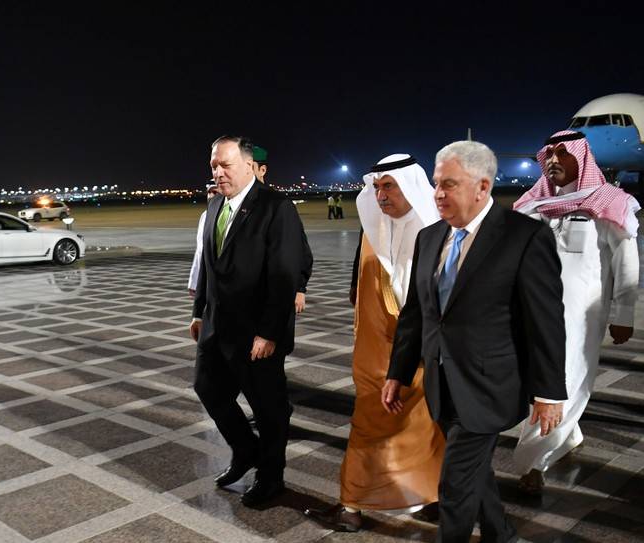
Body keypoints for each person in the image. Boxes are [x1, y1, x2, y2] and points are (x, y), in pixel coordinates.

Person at [383, 140, 567, 543]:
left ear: (482, 187)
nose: (437, 194)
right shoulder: (430, 238)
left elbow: (546, 320)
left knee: (454, 487)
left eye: (449, 184)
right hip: (441, 382)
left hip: (490, 385)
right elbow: (417, 313)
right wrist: (397, 372)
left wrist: (549, 390)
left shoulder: (523, 237)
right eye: (436, 184)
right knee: (473, 470)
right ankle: (501, 533)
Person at [305, 154, 444, 532]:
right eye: (377, 187)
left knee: (427, 428)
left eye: (389, 186)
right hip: (375, 356)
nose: (381, 195)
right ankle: (351, 504)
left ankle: (430, 497)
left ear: (411, 187)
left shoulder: (437, 230)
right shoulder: (372, 229)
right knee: (368, 424)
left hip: (424, 354)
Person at [512, 130, 640, 494]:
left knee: (561, 381)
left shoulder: (610, 201)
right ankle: (568, 435)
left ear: (582, 160)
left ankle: (533, 463)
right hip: (532, 312)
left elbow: (626, 261)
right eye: (548, 153)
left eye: (562, 154)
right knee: (543, 380)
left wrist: (624, 313)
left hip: (581, 315)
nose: (552, 160)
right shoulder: (533, 204)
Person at [190, 135, 304, 507]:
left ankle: (272, 477)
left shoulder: (276, 207)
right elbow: (210, 267)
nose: (218, 172)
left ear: (248, 164)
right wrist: (198, 313)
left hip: (257, 333)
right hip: (215, 327)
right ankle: (245, 451)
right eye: (213, 165)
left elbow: (284, 275)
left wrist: (269, 332)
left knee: (268, 409)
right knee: (207, 389)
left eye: (225, 165)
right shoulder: (215, 207)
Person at [251, 144, 313, 314]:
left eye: (249, 166)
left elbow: (300, 248)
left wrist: (300, 288)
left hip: (274, 294)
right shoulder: (237, 204)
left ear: (262, 170)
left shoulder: (278, 204)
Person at [188, 182, 219, 296]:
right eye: (209, 192)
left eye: (215, 192)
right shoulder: (205, 216)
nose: (211, 196)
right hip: (206, 280)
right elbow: (200, 251)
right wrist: (194, 282)